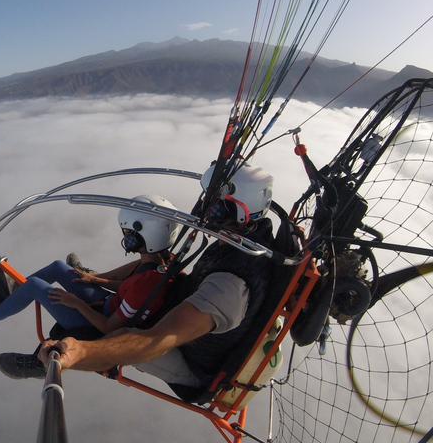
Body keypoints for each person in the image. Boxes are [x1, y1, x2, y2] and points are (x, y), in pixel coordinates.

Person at [38, 162, 277, 392]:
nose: (206, 206)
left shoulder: (228, 288)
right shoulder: (245, 243)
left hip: (194, 364)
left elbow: (159, 340)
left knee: (124, 335)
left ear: (241, 211)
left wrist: (82, 352)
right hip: (185, 321)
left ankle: (41, 361)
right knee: (160, 265)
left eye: (216, 203)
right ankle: (93, 279)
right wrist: (97, 279)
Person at [0, 194, 181, 378]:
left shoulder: (146, 285)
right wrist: (94, 279)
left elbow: (109, 328)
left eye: (128, 233)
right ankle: (14, 294)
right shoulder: (161, 261)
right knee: (59, 267)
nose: (126, 237)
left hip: (94, 326)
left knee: (34, 285)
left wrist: (76, 303)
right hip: (106, 305)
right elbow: (127, 282)